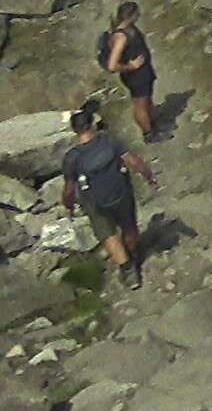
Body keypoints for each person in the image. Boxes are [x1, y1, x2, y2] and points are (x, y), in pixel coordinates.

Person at [58, 104, 153, 290]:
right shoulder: (110, 141)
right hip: (121, 192)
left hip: (95, 202)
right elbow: (133, 160)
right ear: (92, 125)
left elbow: (69, 189)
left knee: (107, 234)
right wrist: (149, 175)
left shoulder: (72, 157)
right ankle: (133, 253)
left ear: (74, 131)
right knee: (129, 226)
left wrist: (68, 205)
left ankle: (128, 270)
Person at [99, 3, 158, 142]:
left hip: (144, 72)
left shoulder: (129, 28)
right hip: (136, 76)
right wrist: (131, 66)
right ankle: (148, 134)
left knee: (146, 101)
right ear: (130, 16)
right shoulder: (121, 37)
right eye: (137, 13)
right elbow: (112, 66)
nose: (139, 15)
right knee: (140, 105)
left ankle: (150, 123)